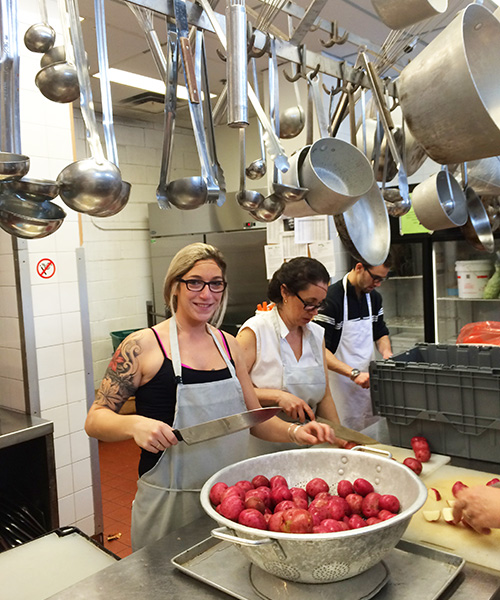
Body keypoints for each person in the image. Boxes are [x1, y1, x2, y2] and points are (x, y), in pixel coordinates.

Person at [85, 243, 335, 551]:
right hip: (169, 504)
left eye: (215, 284)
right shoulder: (142, 346)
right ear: (175, 285)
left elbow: (253, 420)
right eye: (195, 282)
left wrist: (297, 432)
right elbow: (95, 419)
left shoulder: (229, 346)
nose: (206, 294)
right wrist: (134, 425)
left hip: (230, 503)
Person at [237, 257, 343, 456]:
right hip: (266, 446)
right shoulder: (256, 331)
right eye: (309, 303)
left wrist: (340, 439)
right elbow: (234, 390)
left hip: (309, 443)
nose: (314, 312)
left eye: (319, 304)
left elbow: (325, 396)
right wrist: (278, 396)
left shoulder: (316, 334)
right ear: (285, 292)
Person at [314, 259, 393, 431]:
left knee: (370, 436)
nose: (378, 284)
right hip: (339, 388)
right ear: (359, 268)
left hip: (367, 385)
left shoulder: (374, 298)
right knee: (344, 439)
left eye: (382, 279)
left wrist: (387, 354)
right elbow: (318, 350)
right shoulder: (330, 300)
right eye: (375, 278)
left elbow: (380, 333)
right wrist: (353, 373)